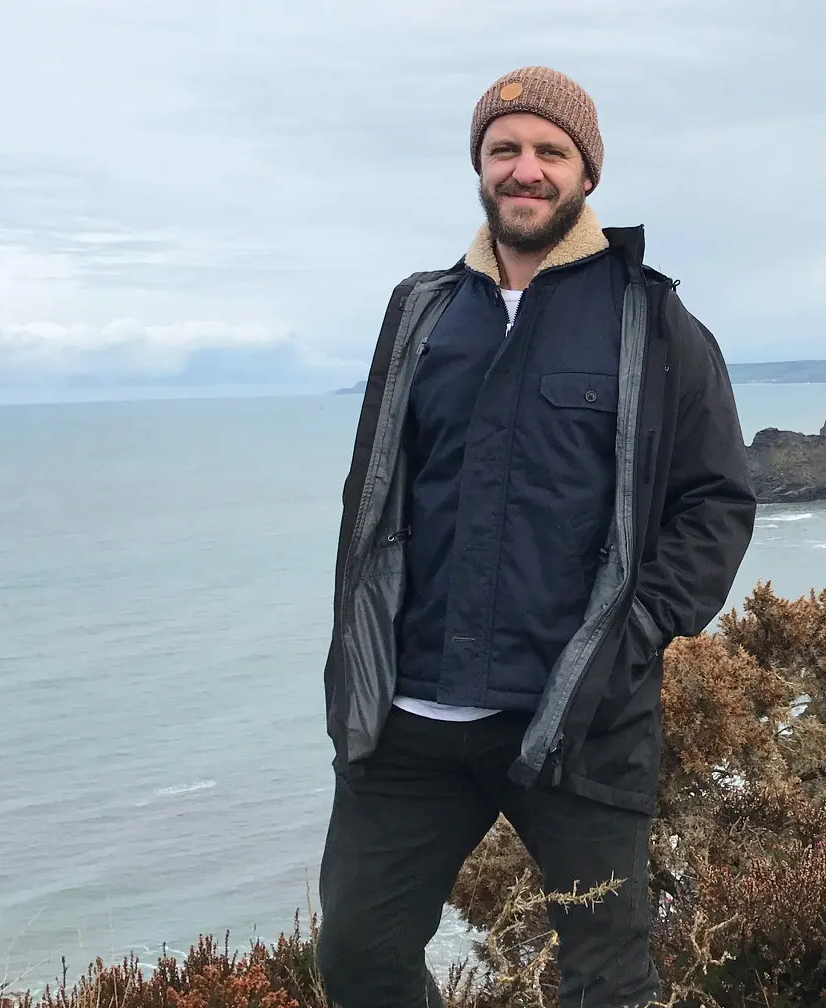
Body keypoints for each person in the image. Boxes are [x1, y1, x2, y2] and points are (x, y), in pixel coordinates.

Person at [314, 66, 757, 1008]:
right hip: (412, 715)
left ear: (587, 173)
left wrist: (631, 641)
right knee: (358, 960)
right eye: (504, 149)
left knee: (606, 985)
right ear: (479, 166)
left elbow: (716, 503)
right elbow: (379, 495)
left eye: (550, 151)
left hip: (580, 720)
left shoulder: (654, 321)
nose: (526, 169)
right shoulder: (421, 311)